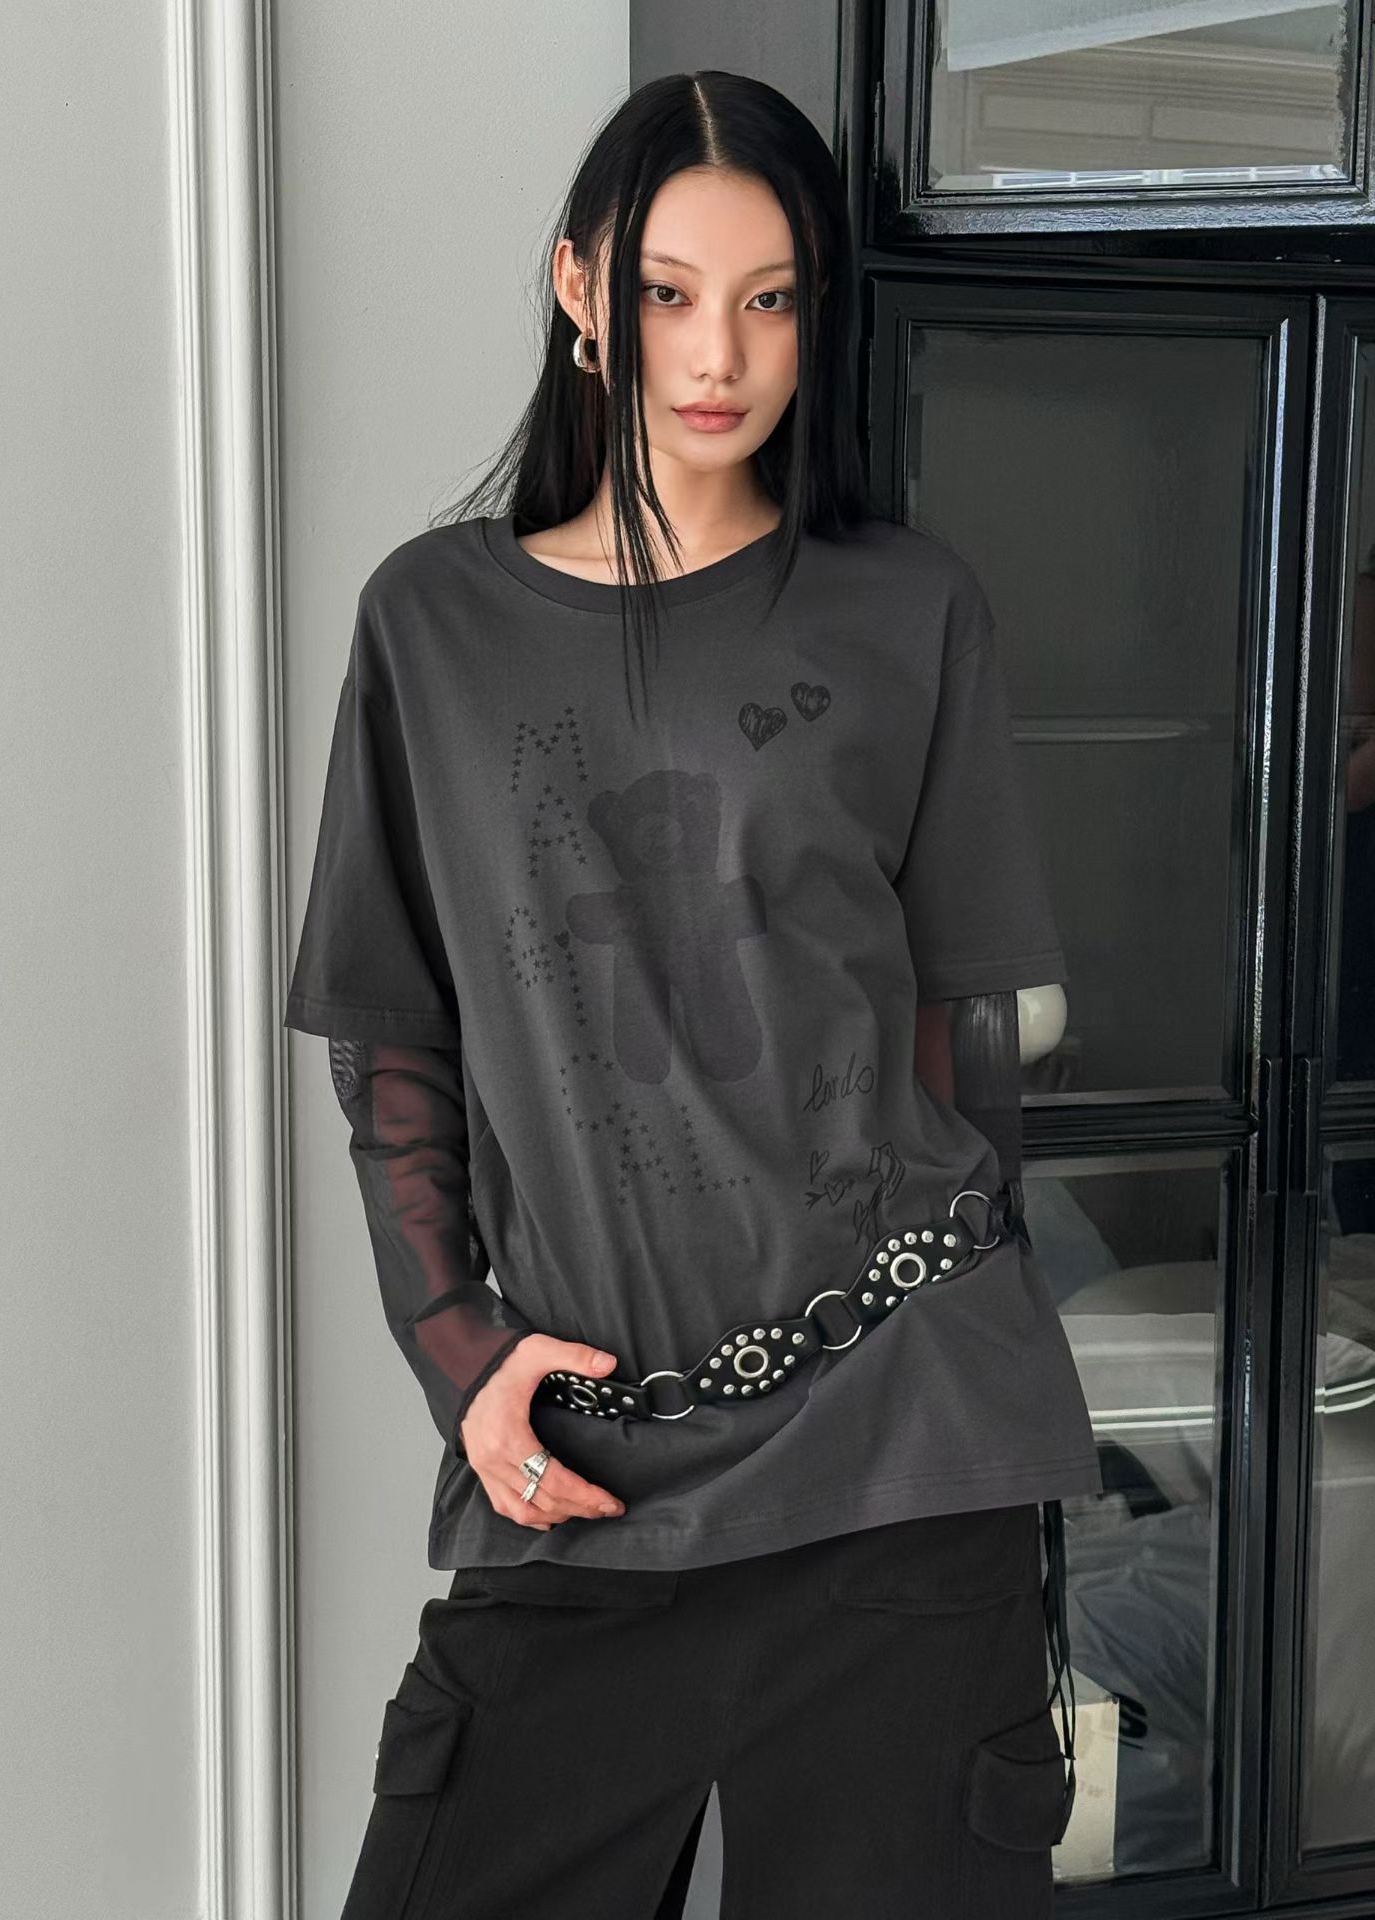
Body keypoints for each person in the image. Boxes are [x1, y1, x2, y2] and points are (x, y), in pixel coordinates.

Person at [284, 67, 1101, 1920]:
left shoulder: (911, 610)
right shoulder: (433, 625)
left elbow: (966, 1044)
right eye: (668, 292)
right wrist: (460, 1351)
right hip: (588, 1471)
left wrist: (963, 1327)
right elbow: (393, 1048)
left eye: (771, 297)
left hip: (903, 1458)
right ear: (581, 289)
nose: (718, 354)